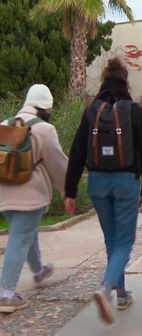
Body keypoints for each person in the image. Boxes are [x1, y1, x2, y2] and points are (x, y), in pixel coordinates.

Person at [64, 58, 142, 324]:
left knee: (112, 238)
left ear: (103, 79)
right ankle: (106, 287)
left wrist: (70, 191)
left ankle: (122, 292)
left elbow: (78, 150)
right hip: (125, 182)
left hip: (97, 182)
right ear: (125, 79)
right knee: (125, 241)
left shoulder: (92, 109)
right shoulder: (134, 110)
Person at [0, 85, 68, 313]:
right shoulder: (45, 129)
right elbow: (56, 162)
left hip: (4, 191)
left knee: (26, 231)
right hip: (30, 194)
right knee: (19, 238)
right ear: (45, 108)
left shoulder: (4, 124)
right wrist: (68, 189)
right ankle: (6, 292)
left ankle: (39, 270)